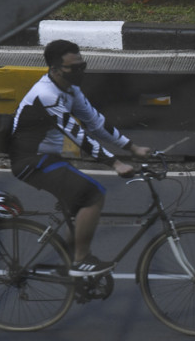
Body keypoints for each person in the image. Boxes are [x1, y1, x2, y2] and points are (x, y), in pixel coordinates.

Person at [8, 39, 152, 276]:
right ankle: (81, 260)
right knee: (93, 194)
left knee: (79, 201)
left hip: (48, 158)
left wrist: (132, 147)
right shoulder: (46, 95)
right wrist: (115, 163)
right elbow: (79, 136)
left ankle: (68, 264)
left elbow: (96, 124)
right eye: (74, 68)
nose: (80, 72)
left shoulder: (70, 90)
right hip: (30, 161)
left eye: (82, 66)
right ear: (54, 69)